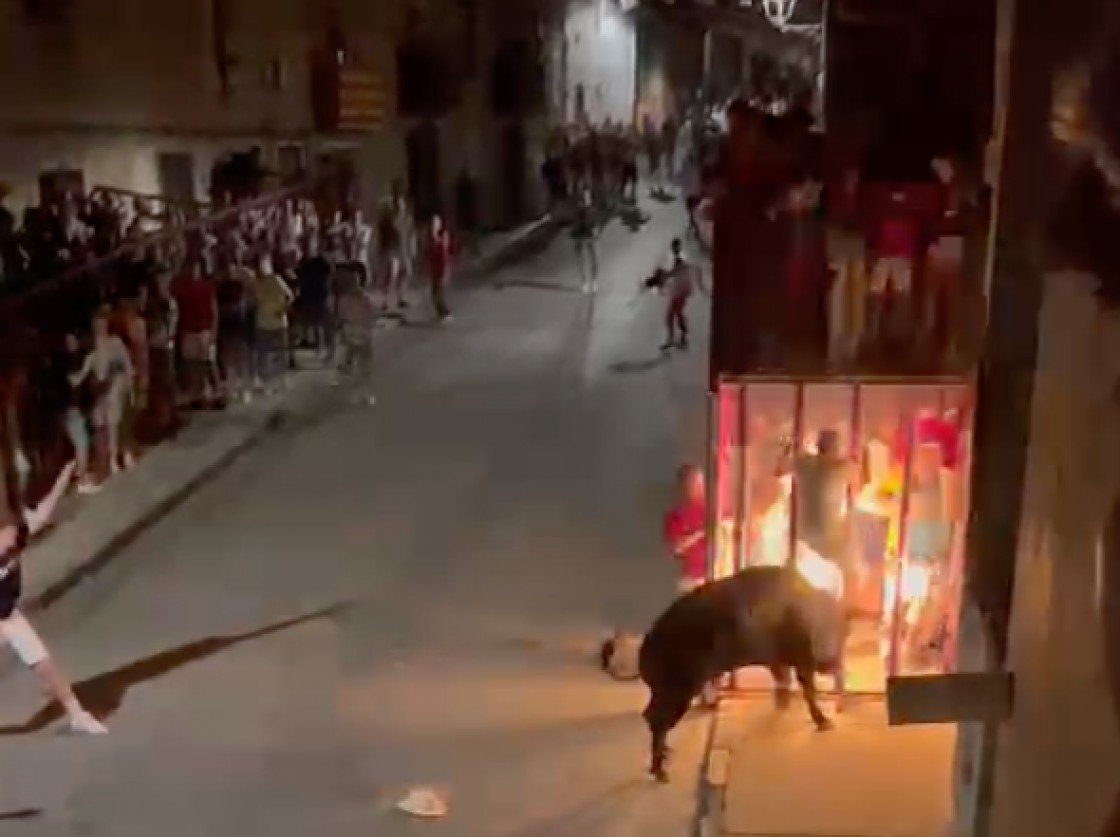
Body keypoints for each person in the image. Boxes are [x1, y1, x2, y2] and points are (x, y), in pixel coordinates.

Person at [0, 460, 107, 735]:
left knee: (44, 662)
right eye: (5, 538)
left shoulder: (19, 534)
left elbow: (44, 513)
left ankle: (77, 715)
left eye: (10, 535)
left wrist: (65, 475)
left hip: (8, 616)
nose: (10, 544)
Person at [73, 309, 134, 476]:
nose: (99, 328)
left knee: (115, 424)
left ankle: (116, 458)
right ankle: (108, 458)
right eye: (96, 326)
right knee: (102, 425)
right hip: (101, 393)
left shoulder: (115, 343)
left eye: (101, 324)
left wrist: (129, 384)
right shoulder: (92, 350)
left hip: (115, 388)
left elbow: (127, 365)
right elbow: (83, 373)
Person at [334, 266, 378, 406]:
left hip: (353, 332)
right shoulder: (364, 298)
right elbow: (371, 315)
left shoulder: (345, 299)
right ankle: (362, 393)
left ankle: (352, 388)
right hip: (362, 334)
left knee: (353, 360)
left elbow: (340, 317)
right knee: (364, 364)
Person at [252, 254, 294, 395]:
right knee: (263, 355)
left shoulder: (275, 280)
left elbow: (290, 296)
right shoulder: (256, 283)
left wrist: (282, 310)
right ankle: (267, 382)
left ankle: (281, 379)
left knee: (281, 353)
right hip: (263, 323)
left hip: (278, 323)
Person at [663, 464, 708, 597]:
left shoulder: (712, 509)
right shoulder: (676, 516)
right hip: (691, 582)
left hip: (716, 574)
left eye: (702, 482)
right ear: (685, 486)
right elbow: (675, 548)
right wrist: (700, 534)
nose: (701, 487)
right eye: (696, 483)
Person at [662, 238, 705, 351]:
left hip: (682, 291)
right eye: (673, 247)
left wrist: (662, 276)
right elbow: (695, 269)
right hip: (681, 290)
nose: (674, 249)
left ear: (678, 247)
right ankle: (681, 336)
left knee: (671, 314)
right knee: (675, 313)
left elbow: (675, 272)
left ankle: (677, 337)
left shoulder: (681, 258)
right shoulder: (681, 257)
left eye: (675, 247)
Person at [426, 214, 453, 322]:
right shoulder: (432, 237)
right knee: (435, 292)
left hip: (441, 269)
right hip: (435, 269)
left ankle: (445, 312)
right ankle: (441, 312)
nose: (433, 226)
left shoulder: (442, 237)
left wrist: (446, 271)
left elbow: (444, 255)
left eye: (435, 224)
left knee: (439, 292)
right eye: (432, 224)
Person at [572, 189, 598, 294]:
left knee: (594, 259)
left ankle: (594, 281)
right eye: (584, 198)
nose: (586, 200)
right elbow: (574, 224)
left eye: (587, 198)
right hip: (580, 235)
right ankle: (584, 282)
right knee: (581, 259)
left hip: (590, 235)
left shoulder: (593, 210)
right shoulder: (578, 211)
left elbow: (596, 223)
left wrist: (595, 231)